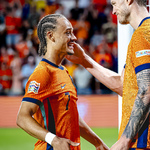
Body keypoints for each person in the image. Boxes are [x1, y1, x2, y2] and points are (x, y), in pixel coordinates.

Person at [66, 0, 150, 149]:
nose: (113, 11)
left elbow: (147, 91)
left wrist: (125, 140)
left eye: (115, 3)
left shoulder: (144, 35)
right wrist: (84, 60)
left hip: (144, 142)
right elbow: (125, 86)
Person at [16, 14, 109, 150]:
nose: (74, 38)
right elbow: (22, 118)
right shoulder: (43, 73)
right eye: (68, 33)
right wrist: (54, 140)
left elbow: (72, 118)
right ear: (51, 36)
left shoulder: (64, 72)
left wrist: (98, 143)